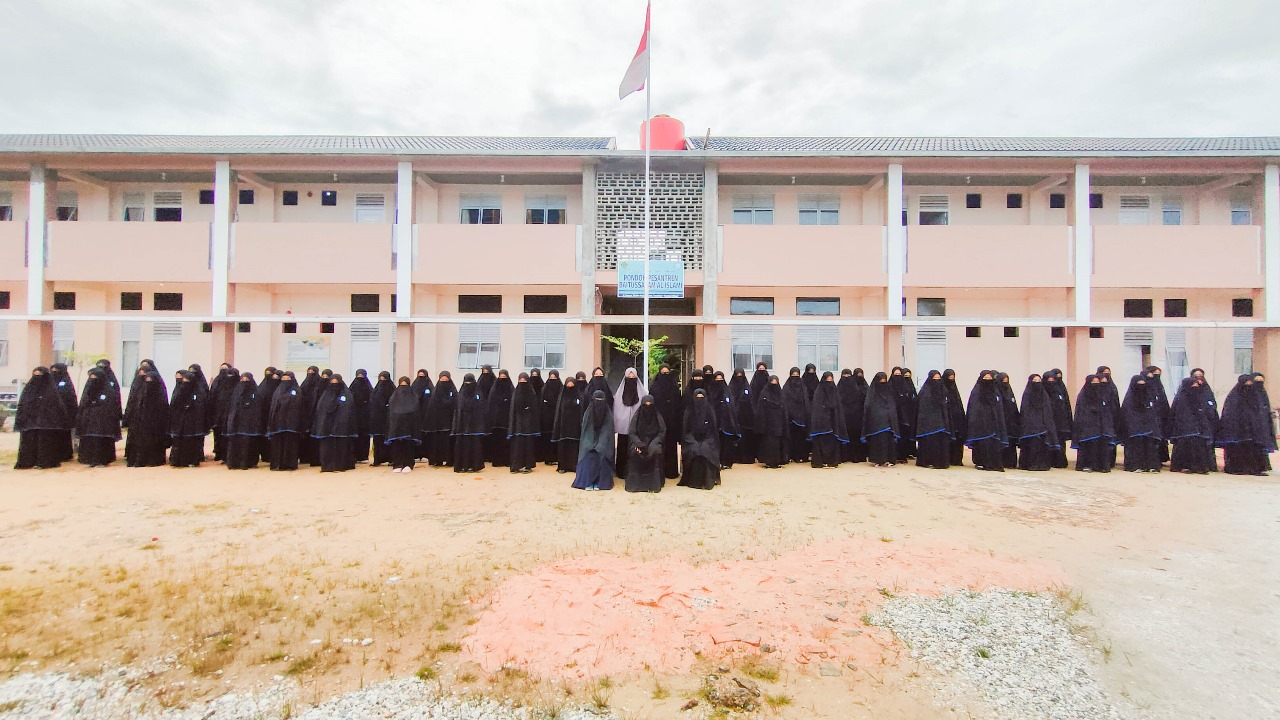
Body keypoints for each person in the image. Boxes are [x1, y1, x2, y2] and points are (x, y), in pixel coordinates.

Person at [1217, 374, 1272, 475]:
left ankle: (1254, 469)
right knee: (1238, 450)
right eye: (1246, 384)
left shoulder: (1255, 398)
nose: (1249, 387)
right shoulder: (1234, 397)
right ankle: (1237, 468)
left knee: (1253, 449)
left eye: (1251, 384)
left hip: (1252, 431)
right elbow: (1230, 414)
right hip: (1237, 432)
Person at [15, 367, 68, 469]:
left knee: (45, 442)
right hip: (30, 423)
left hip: (46, 423)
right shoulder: (28, 390)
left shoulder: (51, 391)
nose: (37, 378)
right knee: (29, 442)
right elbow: (23, 405)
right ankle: (27, 462)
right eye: (35, 376)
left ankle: (45, 462)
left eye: (39, 376)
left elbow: (56, 407)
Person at [1168, 376, 1218, 474]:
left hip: (1199, 427)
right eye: (1193, 384)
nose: (1195, 386)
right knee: (1185, 447)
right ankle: (1184, 466)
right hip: (1184, 428)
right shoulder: (1181, 398)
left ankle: (1199, 467)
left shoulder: (1199, 396)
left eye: (1197, 384)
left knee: (1199, 446)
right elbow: (1177, 414)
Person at [76, 366, 122, 467]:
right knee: (90, 440)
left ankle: (102, 460)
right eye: (91, 377)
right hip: (89, 421)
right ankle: (90, 459)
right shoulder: (88, 389)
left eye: (95, 377)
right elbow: (84, 403)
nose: (92, 380)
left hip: (103, 422)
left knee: (101, 440)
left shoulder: (108, 391)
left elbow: (110, 406)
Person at [123, 370, 169, 467]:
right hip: (140, 423)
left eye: (150, 380)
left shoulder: (159, 394)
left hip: (155, 424)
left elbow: (163, 410)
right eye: (146, 379)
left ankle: (153, 460)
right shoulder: (140, 393)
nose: (148, 382)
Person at [313, 374, 356, 472]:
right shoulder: (325, 396)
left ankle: (340, 466)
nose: (334, 385)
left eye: (336, 383)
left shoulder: (346, 395)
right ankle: (327, 466)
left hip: (341, 427)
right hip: (326, 427)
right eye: (332, 383)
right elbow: (321, 411)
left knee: (340, 446)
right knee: (327, 447)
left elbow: (348, 410)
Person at [573, 390, 616, 490]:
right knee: (588, 456)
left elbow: (607, 432)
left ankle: (600, 483)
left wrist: (599, 445)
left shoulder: (608, 415)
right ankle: (587, 482)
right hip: (589, 444)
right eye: (597, 400)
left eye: (601, 400)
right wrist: (591, 445)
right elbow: (587, 432)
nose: (599, 402)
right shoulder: (588, 414)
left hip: (603, 445)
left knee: (601, 456)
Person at [965, 371, 1008, 472]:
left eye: (990, 379)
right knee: (984, 445)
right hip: (982, 425)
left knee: (994, 445)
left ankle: (995, 464)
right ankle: (983, 463)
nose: (988, 381)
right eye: (986, 379)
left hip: (994, 424)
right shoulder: (976, 392)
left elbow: (999, 408)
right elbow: (974, 408)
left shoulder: (995, 392)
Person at [1073, 375, 1116, 473]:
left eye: (1098, 382)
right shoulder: (1083, 396)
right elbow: (1081, 412)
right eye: (1094, 382)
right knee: (1089, 445)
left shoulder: (1102, 395)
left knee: (1102, 445)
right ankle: (1087, 465)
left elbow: (1107, 410)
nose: (1096, 385)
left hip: (1101, 426)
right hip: (1088, 426)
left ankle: (1102, 466)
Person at [679, 388, 721, 488]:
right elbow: (686, 431)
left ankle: (708, 481)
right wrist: (693, 442)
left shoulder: (710, 411)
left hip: (708, 440)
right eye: (697, 398)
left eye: (702, 398)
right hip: (691, 440)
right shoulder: (689, 411)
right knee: (695, 451)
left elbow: (713, 431)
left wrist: (706, 442)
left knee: (705, 451)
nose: (700, 400)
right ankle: (693, 482)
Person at [1121, 374, 1163, 472]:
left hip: (1149, 428)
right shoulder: (1129, 399)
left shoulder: (1149, 397)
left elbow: (1153, 412)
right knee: (1136, 446)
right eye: (1139, 384)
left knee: (1150, 446)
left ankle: (1151, 465)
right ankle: (1135, 466)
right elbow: (1127, 413)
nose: (1141, 386)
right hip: (1134, 429)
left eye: (1143, 384)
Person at [1017, 374, 1059, 471]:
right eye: (1035, 380)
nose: (1037, 383)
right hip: (1031, 426)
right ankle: (1030, 464)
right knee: (1032, 445)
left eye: (1039, 380)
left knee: (1043, 445)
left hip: (1044, 425)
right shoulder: (1027, 395)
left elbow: (1047, 410)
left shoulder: (1044, 395)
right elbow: (1025, 410)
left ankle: (1043, 464)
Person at [625, 395, 666, 492]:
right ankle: (636, 483)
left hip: (654, 442)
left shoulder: (657, 417)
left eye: (650, 405)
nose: (648, 408)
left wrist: (654, 443)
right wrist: (639, 444)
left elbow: (662, 431)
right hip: (638, 443)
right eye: (645, 405)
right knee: (635, 452)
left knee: (656, 451)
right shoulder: (637, 417)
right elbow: (632, 432)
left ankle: (653, 484)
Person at [807, 371, 848, 468]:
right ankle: (820, 461)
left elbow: (838, 408)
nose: (829, 383)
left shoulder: (835, 392)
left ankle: (832, 461)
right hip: (821, 424)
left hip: (833, 423)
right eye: (827, 380)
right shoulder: (819, 392)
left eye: (831, 380)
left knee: (832, 442)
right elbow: (817, 408)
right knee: (820, 442)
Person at [266, 371, 305, 471]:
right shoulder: (278, 390)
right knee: (277, 444)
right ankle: (277, 464)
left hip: (291, 424)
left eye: (288, 379)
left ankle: (290, 464)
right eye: (283, 379)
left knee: (290, 444)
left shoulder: (296, 390)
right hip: (278, 423)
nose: (285, 381)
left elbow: (297, 406)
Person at [612, 367, 647, 478]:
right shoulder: (618, 395)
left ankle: (635, 472)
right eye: (629, 377)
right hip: (623, 430)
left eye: (633, 377)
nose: (631, 379)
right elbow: (616, 410)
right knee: (622, 448)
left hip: (637, 430)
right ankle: (621, 472)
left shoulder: (643, 394)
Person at [913, 370, 951, 469]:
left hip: (941, 423)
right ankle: (927, 461)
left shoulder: (943, 391)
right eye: (935, 379)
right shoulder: (925, 392)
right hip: (928, 424)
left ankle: (940, 462)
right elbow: (922, 408)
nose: (937, 381)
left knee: (940, 442)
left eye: (939, 379)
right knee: (929, 442)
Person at [168, 371, 208, 467]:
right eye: (184, 381)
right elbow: (174, 403)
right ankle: (177, 461)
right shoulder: (179, 390)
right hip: (180, 420)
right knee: (179, 440)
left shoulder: (198, 391)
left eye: (187, 381)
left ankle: (191, 460)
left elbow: (200, 405)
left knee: (190, 442)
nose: (185, 383)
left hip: (192, 422)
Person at [650, 364, 683, 478]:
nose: (665, 375)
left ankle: (671, 472)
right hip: (658, 422)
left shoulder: (674, 388)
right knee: (659, 446)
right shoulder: (654, 388)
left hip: (672, 422)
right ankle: (658, 471)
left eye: (667, 373)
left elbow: (679, 405)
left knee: (671, 446)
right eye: (663, 373)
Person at [224, 372, 263, 470]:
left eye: (247, 380)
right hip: (236, 422)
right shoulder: (236, 391)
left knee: (247, 443)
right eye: (242, 380)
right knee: (234, 443)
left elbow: (257, 407)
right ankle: (233, 463)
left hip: (249, 423)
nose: (244, 382)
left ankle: (246, 463)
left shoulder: (255, 392)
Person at [451, 373, 487, 473]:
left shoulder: (478, 394)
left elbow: (480, 408)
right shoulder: (461, 394)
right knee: (462, 446)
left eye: (470, 382)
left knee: (474, 446)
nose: (468, 384)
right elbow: (458, 410)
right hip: (462, 426)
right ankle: (461, 465)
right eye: (466, 382)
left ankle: (474, 465)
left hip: (474, 426)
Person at [862, 372, 900, 467]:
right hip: (876, 423)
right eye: (880, 382)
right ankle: (877, 460)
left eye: (884, 382)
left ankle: (889, 459)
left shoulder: (888, 392)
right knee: (878, 441)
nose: (882, 384)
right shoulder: (872, 394)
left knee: (888, 441)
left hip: (888, 423)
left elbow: (892, 406)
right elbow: (869, 407)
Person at [385, 376, 421, 473]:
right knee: (397, 445)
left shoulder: (413, 397)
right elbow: (390, 411)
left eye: (405, 386)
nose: (403, 389)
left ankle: (408, 464)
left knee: (408, 445)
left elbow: (415, 411)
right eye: (401, 386)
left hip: (409, 427)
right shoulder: (394, 397)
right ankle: (397, 464)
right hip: (396, 426)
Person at [423, 371, 458, 467]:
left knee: (448, 443)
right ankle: (437, 460)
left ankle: (449, 460)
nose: (444, 382)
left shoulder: (453, 391)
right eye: (442, 380)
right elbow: (431, 407)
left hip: (449, 422)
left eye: (446, 380)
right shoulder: (435, 392)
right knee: (436, 442)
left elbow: (456, 405)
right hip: (437, 423)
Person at [552, 376, 586, 473]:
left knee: (574, 446)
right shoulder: (562, 396)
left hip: (575, 426)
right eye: (568, 384)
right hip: (564, 426)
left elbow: (581, 410)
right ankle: (562, 466)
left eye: (572, 384)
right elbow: (559, 411)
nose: (570, 386)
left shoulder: (579, 396)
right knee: (563, 445)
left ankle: (573, 465)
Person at [508, 372, 540, 473]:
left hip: (528, 424)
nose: (522, 382)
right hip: (518, 423)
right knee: (517, 445)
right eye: (520, 380)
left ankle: (528, 465)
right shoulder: (516, 392)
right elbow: (513, 408)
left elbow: (534, 408)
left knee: (528, 445)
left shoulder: (531, 392)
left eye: (524, 381)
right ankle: (516, 465)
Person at [754, 375, 789, 468]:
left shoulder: (781, 394)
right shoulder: (764, 394)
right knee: (769, 443)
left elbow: (784, 409)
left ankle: (778, 461)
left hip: (779, 423)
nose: (774, 385)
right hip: (768, 424)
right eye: (772, 383)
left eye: (775, 383)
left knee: (778, 442)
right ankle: (768, 461)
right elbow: (760, 410)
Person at [46, 363, 77, 462]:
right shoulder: (47, 383)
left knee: (64, 435)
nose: (54, 374)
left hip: (65, 414)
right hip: (50, 414)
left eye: (57, 371)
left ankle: (65, 455)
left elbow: (71, 399)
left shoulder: (66, 383)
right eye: (52, 371)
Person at [1043, 369, 1073, 469]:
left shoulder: (1060, 390)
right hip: (1047, 421)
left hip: (1060, 422)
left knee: (1060, 441)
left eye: (1053, 380)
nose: (1051, 383)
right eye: (1049, 380)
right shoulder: (1042, 392)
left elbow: (1066, 406)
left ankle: (1059, 461)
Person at [208, 364, 239, 462]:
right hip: (217, 413)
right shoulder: (217, 382)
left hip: (230, 414)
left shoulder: (236, 385)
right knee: (217, 434)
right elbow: (212, 397)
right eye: (222, 369)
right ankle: (218, 452)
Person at [485, 370, 515, 466]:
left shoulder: (511, 389)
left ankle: (507, 461)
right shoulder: (494, 390)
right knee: (496, 442)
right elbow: (491, 404)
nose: (502, 379)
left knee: (507, 442)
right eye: (501, 377)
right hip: (496, 422)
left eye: (504, 377)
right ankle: (497, 461)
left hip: (507, 421)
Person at [837, 369, 868, 463]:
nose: (846, 378)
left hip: (856, 417)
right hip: (842, 417)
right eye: (844, 376)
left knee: (855, 436)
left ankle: (856, 456)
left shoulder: (857, 390)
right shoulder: (837, 389)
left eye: (848, 376)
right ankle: (843, 456)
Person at [782, 367, 811, 463]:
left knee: (801, 438)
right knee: (790, 438)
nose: (795, 378)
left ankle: (802, 456)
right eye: (793, 375)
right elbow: (784, 401)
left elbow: (806, 401)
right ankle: (790, 456)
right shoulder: (786, 387)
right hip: (790, 418)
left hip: (802, 417)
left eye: (797, 376)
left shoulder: (803, 387)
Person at [728, 368, 756, 464]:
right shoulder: (730, 388)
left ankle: (746, 458)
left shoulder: (747, 388)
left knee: (746, 439)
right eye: (737, 375)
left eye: (741, 375)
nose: (739, 377)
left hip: (746, 419)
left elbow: (751, 403)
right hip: (733, 417)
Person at [368, 371, 395, 467]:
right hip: (377, 419)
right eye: (381, 379)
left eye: (384, 379)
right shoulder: (375, 391)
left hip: (388, 418)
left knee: (388, 440)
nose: (382, 381)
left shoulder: (392, 390)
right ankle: (377, 460)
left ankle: (391, 459)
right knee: (377, 440)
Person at [892, 368, 919, 462]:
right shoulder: (890, 387)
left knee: (905, 435)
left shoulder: (907, 388)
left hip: (907, 416)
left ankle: (906, 453)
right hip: (895, 416)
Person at [942, 369, 968, 466]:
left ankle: (957, 459)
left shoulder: (955, 391)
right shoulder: (942, 390)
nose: (951, 380)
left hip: (957, 418)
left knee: (958, 439)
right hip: (947, 419)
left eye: (953, 378)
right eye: (949, 378)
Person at [297, 366, 322, 465]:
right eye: (309, 372)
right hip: (305, 415)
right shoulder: (304, 385)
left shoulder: (320, 384)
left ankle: (315, 458)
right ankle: (304, 457)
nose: (310, 374)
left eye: (313, 372)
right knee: (305, 437)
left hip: (316, 414)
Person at [996, 372, 1021, 469]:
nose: (1005, 384)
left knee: (1011, 442)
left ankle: (1010, 462)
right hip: (1000, 421)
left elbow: (1013, 407)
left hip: (1011, 422)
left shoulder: (1010, 393)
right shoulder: (996, 393)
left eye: (1007, 381)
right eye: (1003, 381)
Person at [537, 370, 563, 464]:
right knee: (547, 438)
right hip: (546, 419)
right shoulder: (545, 389)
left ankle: (557, 458)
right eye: (551, 378)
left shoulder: (561, 389)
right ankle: (548, 458)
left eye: (554, 378)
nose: (553, 380)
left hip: (557, 418)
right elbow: (541, 404)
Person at [349, 369, 374, 463]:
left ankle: (363, 456)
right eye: (358, 377)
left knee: (364, 437)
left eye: (362, 377)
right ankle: (354, 456)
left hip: (366, 417)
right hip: (354, 416)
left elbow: (372, 400)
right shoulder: (352, 388)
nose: (360, 379)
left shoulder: (369, 388)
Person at [410, 369, 434, 459]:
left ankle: (426, 454)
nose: (421, 378)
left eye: (423, 376)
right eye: (419, 376)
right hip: (416, 415)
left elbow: (432, 399)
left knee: (426, 435)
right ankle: (416, 454)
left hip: (427, 415)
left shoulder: (430, 387)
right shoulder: (414, 387)